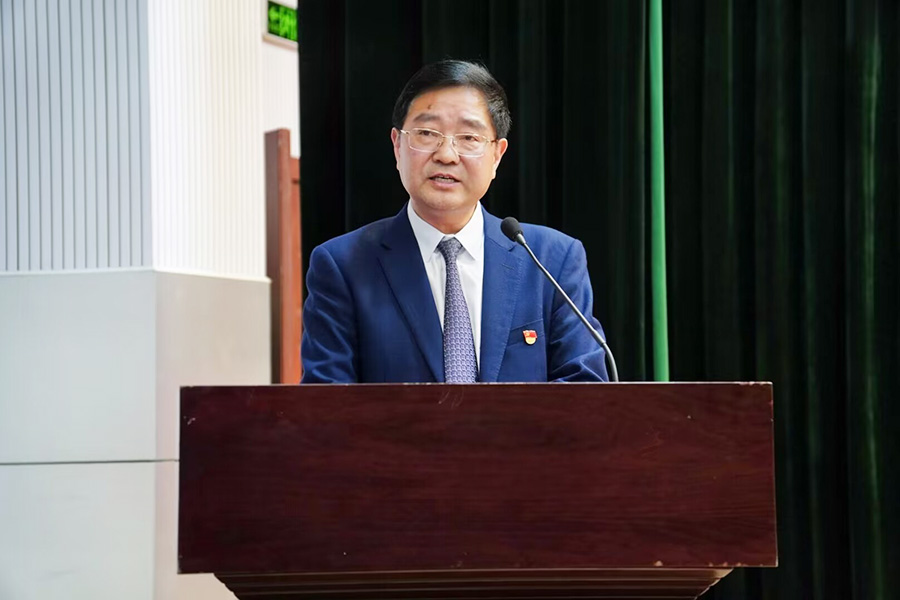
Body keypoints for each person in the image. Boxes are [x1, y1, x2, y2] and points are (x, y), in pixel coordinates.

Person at [301, 60, 608, 383]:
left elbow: (584, 390)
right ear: (397, 145)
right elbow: (328, 401)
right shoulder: (343, 265)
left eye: (469, 137)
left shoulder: (551, 260)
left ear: (497, 155)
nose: (446, 154)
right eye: (426, 133)